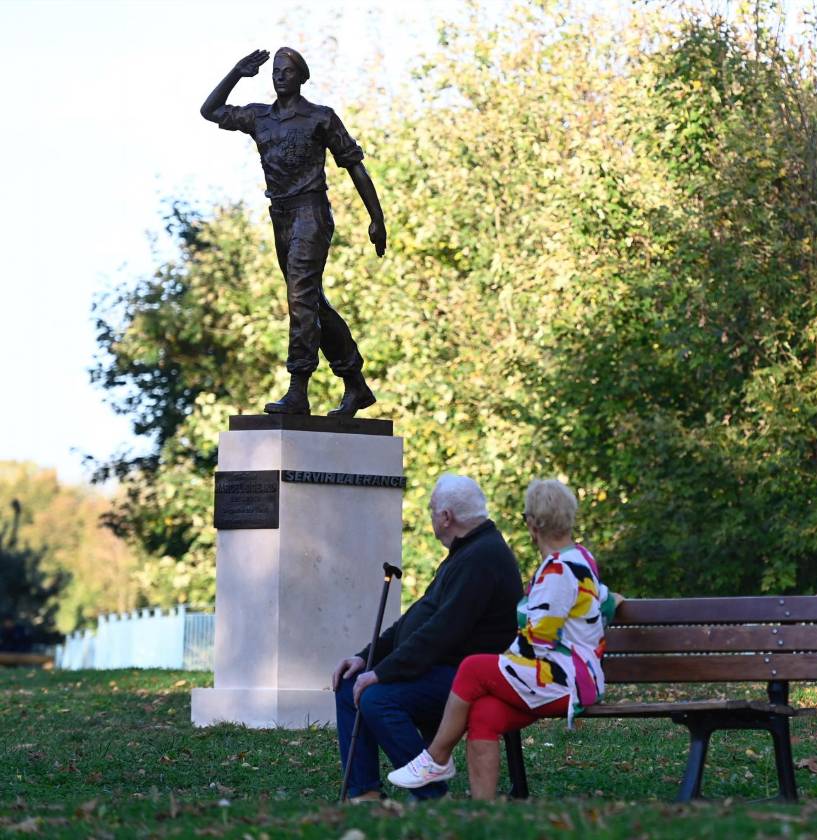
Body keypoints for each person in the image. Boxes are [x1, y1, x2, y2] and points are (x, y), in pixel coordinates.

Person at [387, 478, 620, 800]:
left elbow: (536, 642)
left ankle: (436, 757)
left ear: (531, 524)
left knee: (473, 669)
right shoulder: (580, 559)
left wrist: (497, 666)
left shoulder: (557, 572)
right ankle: (486, 814)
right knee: (484, 713)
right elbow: (607, 600)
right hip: (572, 678)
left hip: (563, 680)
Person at [200, 47, 386, 417]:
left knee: (300, 300)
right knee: (311, 302)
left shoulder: (320, 118)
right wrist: (236, 71)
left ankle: (298, 388)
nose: (279, 76)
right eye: (275, 71)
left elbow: (354, 167)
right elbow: (210, 111)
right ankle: (355, 383)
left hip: (311, 213)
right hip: (281, 216)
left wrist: (376, 218)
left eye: (287, 71)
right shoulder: (259, 117)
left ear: (302, 77)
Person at [330, 474, 523, 802]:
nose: (431, 517)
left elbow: (441, 634)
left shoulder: (481, 557)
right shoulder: (467, 551)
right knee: (350, 684)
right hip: (442, 668)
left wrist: (382, 674)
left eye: (432, 511)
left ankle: (431, 792)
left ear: (446, 517)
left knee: (378, 698)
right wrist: (365, 658)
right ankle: (364, 793)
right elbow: (416, 619)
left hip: (466, 678)